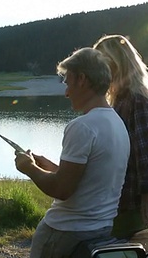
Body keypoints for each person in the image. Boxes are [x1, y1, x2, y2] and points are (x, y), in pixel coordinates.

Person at [14, 47, 130, 258]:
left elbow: (62, 189)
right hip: (100, 231)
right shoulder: (117, 124)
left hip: (64, 234)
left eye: (68, 82)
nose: (66, 92)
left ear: (82, 79)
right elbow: (89, 181)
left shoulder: (83, 126)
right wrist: (49, 167)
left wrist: (28, 168)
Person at [93, 34, 148, 239]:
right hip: (122, 198)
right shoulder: (122, 97)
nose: (99, 69)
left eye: (102, 62)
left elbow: (147, 151)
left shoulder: (137, 97)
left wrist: (147, 196)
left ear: (116, 63)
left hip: (133, 200)